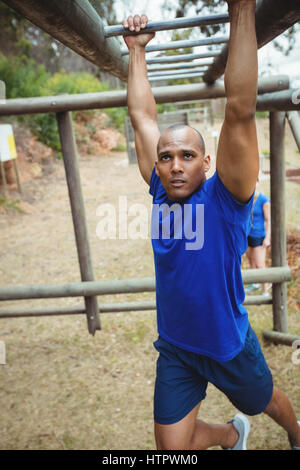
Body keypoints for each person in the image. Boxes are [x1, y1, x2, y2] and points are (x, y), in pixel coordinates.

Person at [123, 0, 300, 451]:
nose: (175, 165)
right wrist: (137, 50)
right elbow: (143, 117)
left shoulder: (225, 196)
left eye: (187, 156)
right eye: (166, 157)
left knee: (267, 401)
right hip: (177, 348)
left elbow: (239, 107)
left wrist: (242, 8)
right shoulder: (161, 189)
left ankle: (297, 435)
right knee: (171, 450)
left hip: (227, 344)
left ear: (207, 162)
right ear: (157, 166)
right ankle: (229, 435)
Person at [245, 180, 271, 295]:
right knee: (251, 260)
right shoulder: (247, 199)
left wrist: (267, 238)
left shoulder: (264, 200)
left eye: (254, 182)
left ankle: (265, 290)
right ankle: (255, 284)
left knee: (260, 264)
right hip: (247, 235)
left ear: (258, 183)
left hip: (259, 236)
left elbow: (269, 220)